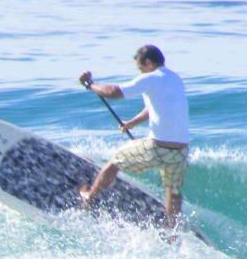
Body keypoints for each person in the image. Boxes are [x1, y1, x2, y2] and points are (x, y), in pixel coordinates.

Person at [77, 45, 190, 230]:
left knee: (114, 162)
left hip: (158, 147)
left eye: (140, 67)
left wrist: (90, 85)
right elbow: (154, 107)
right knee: (173, 189)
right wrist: (132, 123)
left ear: (149, 63)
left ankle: (89, 197)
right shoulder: (174, 78)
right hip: (180, 149)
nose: (140, 71)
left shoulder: (151, 77)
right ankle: (172, 231)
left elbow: (114, 92)